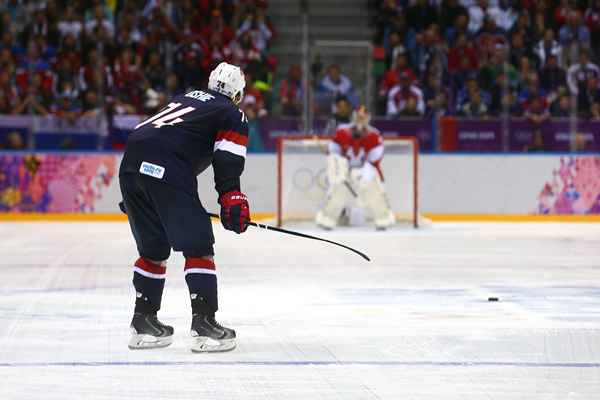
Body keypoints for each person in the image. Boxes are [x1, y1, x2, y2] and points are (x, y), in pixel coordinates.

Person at [118, 62, 250, 352]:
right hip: (166, 168)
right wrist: (231, 196)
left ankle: (144, 324)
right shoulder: (231, 112)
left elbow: (152, 135)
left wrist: (139, 192)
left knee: (153, 248)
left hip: (130, 165)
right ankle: (204, 325)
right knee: (198, 243)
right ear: (238, 94)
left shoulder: (185, 98)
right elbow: (228, 158)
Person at [315, 106, 395, 230]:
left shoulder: (374, 135)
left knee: (374, 192)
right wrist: (337, 166)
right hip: (346, 172)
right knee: (337, 190)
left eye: (363, 117)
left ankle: (383, 218)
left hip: (366, 171)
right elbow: (334, 153)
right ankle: (327, 218)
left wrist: (364, 172)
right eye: (358, 116)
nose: (360, 119)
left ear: (368, 118)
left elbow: (374, 161)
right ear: (353, 116)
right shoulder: (342, 132)